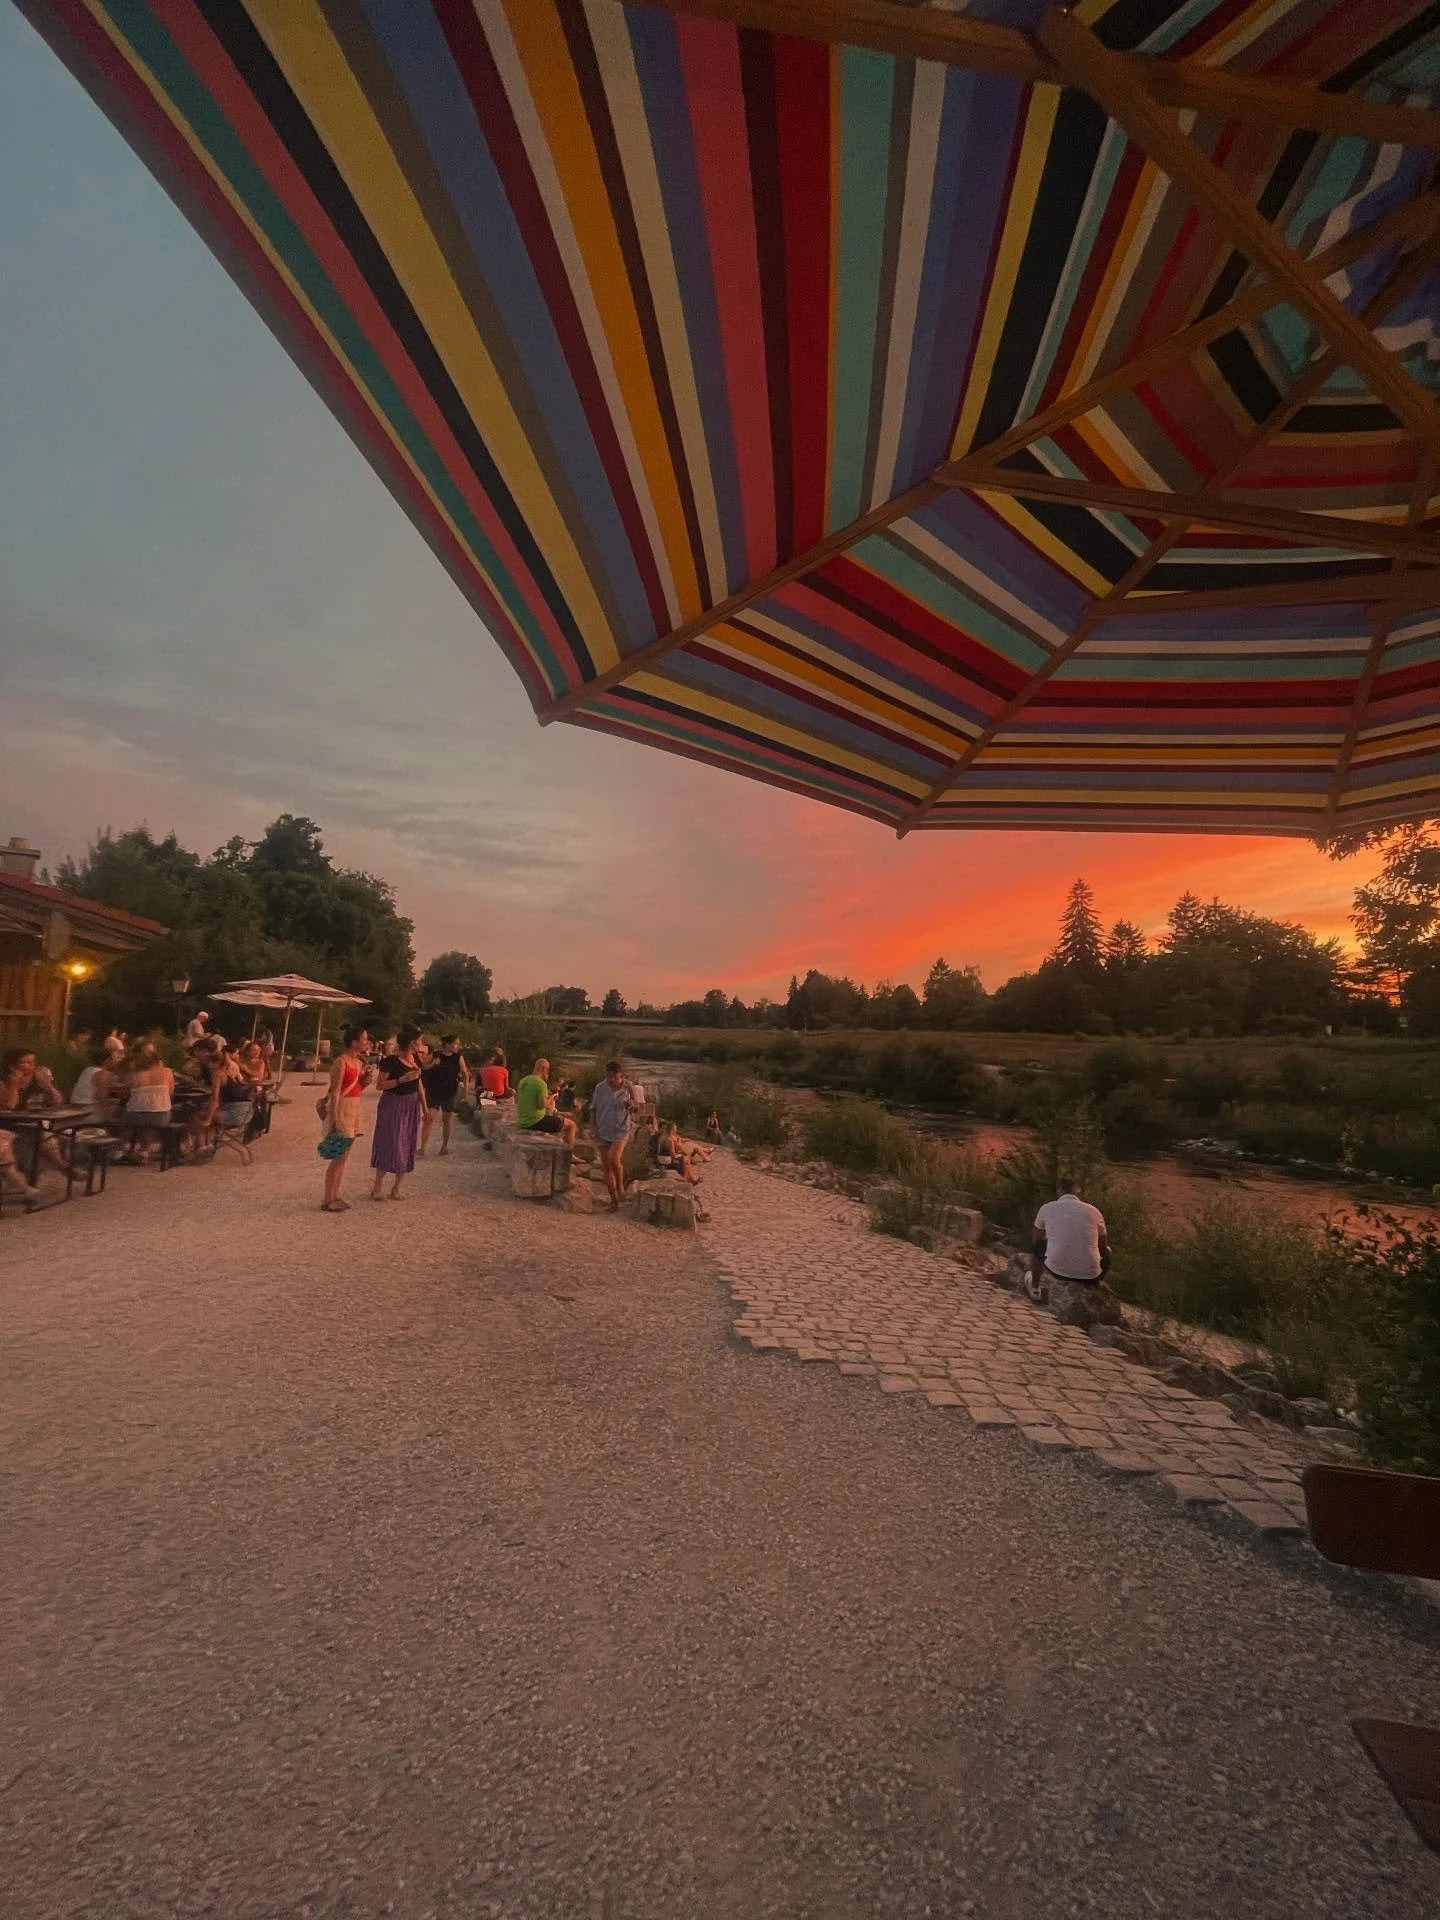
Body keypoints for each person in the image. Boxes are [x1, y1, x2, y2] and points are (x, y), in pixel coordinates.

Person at [318, 1024, 372, 1212]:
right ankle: (328, 1198)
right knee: (339, 1155)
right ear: (354, 1042)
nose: (366, 1042)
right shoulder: (341, 1062)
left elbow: (357, 1088)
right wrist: (334, 1118)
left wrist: (365, 1082)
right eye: (364, 1039)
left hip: (353, 1107)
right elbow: (335, 1091)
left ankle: (334, 1195)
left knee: (344, 1155)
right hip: (343, 1108)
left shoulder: (358, 1063)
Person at [370, 1024, 427, 1200]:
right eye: (419, 1041)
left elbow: (419, 1084)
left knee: (407, 1142)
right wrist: (401, 1080)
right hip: (393, 1104)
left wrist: (425, 1107)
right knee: (389, 1142)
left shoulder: (416, 1060)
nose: (422, 1044)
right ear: (411, 1043)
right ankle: (377, 1186)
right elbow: (380, 1085)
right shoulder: (391, 1061)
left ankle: (396, 1187)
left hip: (411, 1104)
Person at [1032, 1182, 1111, 1300]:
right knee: (1107, 1250)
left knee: (1038, 1244)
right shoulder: (1094, 1211)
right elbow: (1103, 1246)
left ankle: (1034, 1287)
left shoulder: (1047, 1208)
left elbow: (1036, 1238)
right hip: (1091, 1276)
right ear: (1078, 1191)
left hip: (1058, 1272)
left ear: (1059, 1190)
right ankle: (1095, 1284)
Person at [0, 1048, 67, 1174]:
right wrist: (14, 1085)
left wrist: (48, 1086)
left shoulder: (38, 1081)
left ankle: (62, 1167)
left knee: (45, 1131)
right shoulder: (4, 1083)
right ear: (12, 1067)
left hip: (35, 1122)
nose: (31, 1066)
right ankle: (63, 1167)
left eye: (32, 1062)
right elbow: (10, 1106)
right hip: (11, 1124)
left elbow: (57, 1102)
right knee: (44, 1133)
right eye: (25, 1063)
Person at [590, 1059, 635, 1210]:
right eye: (609, 1076)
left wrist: (633, 1105)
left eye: (615, 1077)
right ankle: (613, 1199)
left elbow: (638, 1107)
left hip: (620, 1129)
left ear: (621, 1076)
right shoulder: (600, 1088)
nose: (612, 1080)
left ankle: (621, 1186)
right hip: (602, 1128)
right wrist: (592, 1128)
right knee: (606, 1166)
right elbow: (593, 1109)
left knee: (613, 1159)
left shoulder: (629, 1088)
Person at [119, 1042, 174, 1163]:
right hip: (160, 1116)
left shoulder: (134, 1075)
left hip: (134, 1117)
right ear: (159, 1062)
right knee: (153, 1114)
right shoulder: (167, 1072)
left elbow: (124, 1094)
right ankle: (144, 1150)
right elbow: (170, 1092)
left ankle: (121, 1149)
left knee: (133, 1115)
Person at [420, 1034, 469, 1157]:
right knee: (429, 1118)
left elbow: (465, 1073)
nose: (457, 1046)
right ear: (447, 1044)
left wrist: (466, 1091)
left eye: (458, 1044)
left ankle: (444, 1146)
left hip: (449, 1091)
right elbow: (423, 1066)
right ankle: (422, 1147)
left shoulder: (458, 1057)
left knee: (446, 1119)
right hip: (434, 1091)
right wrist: (433, 1064)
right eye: (455, 1043)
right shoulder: (436, 1054)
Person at [515, 1057, 577, 1145]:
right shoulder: (541, 1083)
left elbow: (523, 1098)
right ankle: (569, 1151)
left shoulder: (523, 1080)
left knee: (559, 1120)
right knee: (571, 1125)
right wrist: (552, 1097)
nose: (547, 1073)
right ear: (544, 1069)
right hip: (536, 1121)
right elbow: (543, 1105)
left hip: (523, 1121)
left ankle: (564, 1147)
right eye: (547, 1070)